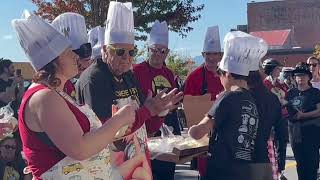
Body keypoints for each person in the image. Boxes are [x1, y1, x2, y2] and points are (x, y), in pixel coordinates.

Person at [12, 10, 138, 179]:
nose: (74, 56)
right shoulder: (45, 98)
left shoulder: (58, 93)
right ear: (54, 60)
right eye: (68, 51)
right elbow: (80, 148)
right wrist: (119, 120)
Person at [76, 2, 183, 180]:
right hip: (107, 168)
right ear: (104, 50)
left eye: (131, 52)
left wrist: (160, 111)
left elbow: (145, 126)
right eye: (119, 52)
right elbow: (105, 134)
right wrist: (149, 110)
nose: (126, 58)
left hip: (136, 163)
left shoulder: (128, 75)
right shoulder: (94, 79)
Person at [188, 31, 262, 180]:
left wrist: (189, 131)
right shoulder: (252, 99)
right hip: (244, 169)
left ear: (227, 74)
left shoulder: (226, 97)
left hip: (222, 169)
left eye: (220, 74)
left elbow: (198, 132)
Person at [133, 20, 180, 180]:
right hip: (144, 129)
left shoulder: (169, 74)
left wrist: (171, 107)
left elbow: (174, 101)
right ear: (148, 49)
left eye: (162, 51)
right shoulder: (136, 71)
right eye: (154, 50)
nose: (158, 54)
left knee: (166, 172)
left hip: (166, 131)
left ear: (167, 52)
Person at [183, 26, 224, 176]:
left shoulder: (229, 75)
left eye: (215, 54)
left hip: (226, 133)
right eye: (208, 54)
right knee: (206, 171)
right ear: (202, 54)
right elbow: (188, 105)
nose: (212, 58)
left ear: (221, 55)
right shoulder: (194, 77)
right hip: (204, 134)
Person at [247, 37, 287, 180]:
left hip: (276, 121)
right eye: (277, 69)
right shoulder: (266, 88)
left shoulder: (281, 84)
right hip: (262, 142)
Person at [285, 62, 320, 180]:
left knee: (311, 163)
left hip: (312, 131)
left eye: (304, 75)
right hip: (295, 132)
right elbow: (285, 109)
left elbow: (319, 111)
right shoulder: (290, 93)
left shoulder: (315, 92)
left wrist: (303, 115)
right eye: (298, 75)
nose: (300, 78)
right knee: (300, 163)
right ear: (294, 78)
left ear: (309, 77)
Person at [52, 12, 93, 98]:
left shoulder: (70, 84)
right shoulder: (52, 89)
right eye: (74, 57)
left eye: (88, 59)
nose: (87, 64)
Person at [262, 58, 289, 179]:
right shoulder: (264, 84)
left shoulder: (281, 83)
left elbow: (287, 96)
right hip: (268, 118)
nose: (279, 71)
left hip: (282, 117)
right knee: (269, 144)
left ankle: (281, 170)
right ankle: (270, 170)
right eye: (278, 68)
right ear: (271, 69)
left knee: (282, 143)